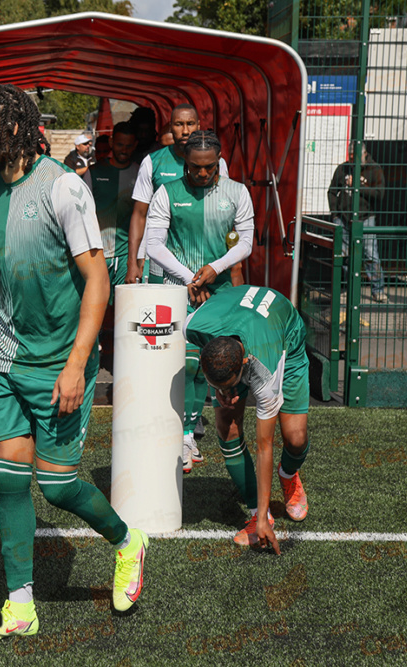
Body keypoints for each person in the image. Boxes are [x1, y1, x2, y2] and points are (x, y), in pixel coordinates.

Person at [0, 84, 148, 644]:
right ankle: (21, 606)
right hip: (8, 365)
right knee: (10, 482)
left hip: (60, 363)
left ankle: (127, 541)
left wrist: (77, 364)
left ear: (11, 128)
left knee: (59, 487)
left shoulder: (64, 188)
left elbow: (98, 279)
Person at [145, 131, 254, 473]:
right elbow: (153, 245)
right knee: (188, 363)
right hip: (180, 289)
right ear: (185, 163)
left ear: (220, 161)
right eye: (195, 168)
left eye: (209, 168)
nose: (203, 174)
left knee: (214, 366)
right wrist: (191, 276)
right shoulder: (167, 192)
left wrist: (214, 269)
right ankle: (185, 435)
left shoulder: (237, 192)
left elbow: (245, 242)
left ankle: (217, 431)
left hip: (218, 292)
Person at [185, 284, 310, 553]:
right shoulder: (194, 326)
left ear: (243, 365)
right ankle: (255, 513)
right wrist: (222, 388)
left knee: (295, 438)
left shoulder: (265, 371)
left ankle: (288, 474)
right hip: (235, 324)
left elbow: (264, 445)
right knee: (226, 426)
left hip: (285, 337)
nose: (224, 394)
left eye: (229, 386)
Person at [127, 104, 231, 285]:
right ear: (170, 127)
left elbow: (225, 212)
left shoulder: (218, 163)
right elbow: (139, 214)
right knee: (164, 310)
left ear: (198, 126)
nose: (185, 130)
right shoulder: (153, 162)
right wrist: (133, 261)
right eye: (178, 124)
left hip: (205, 255)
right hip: (162, 258)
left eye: (190, 124)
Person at [83, 121, 139, 298]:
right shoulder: (93, 172)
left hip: (125, 257)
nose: (124, 150)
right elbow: (81, 215)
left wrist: (135, 261)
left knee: (123, 310)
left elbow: (144, 216)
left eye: (129, 146)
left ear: (135, 145)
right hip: (96, 254)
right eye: (120, 145)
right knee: (95, 306)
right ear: (112, 142)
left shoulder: (140, 173)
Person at [327, 145, 387, 303]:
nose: (352, 160)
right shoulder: (343, 169)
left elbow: (380, 194)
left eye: (355, 157)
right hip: (344, 218)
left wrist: (358, 187)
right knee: (346, 256)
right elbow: (332, 191)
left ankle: (378, 290)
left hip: (366, 217)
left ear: (364, 154)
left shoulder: (374, 170)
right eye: (351, 157)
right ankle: (349, 289)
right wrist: (335, 216)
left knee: (370, 254)